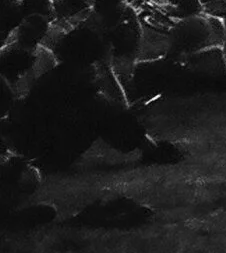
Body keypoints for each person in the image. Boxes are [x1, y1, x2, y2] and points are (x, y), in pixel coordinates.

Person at [8, 25, 183, 170]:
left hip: (38, 146)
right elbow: (118, 111)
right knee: (102, 109)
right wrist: (108, 68)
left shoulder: (60, 77)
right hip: (46, 153)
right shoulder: (74, 83)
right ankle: (153, 150)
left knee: (103, 109)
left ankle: (151, 148)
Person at [130, 0, 226, 98]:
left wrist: (147, 62)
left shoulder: (184, 24)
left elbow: (170, 59)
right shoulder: (218, 21)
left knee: (142, 68)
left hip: (200, 76)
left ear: (181, 6)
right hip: (222, 72)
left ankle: (135, 96)